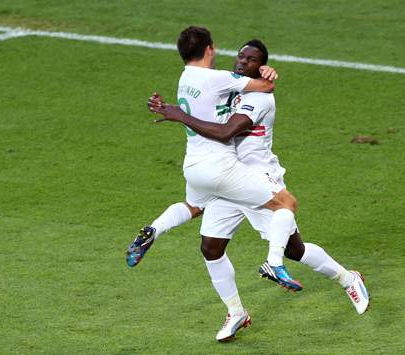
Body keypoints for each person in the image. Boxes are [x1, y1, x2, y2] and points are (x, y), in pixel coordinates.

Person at [136, 39, 371, 341]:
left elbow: (225, 133)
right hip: (230, 178)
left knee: (295, 249)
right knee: (210, 247)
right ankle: (236, 313)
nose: (240, 62)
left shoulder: (259, 99)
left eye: (250, 60)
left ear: (260, 66)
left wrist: (179, 115)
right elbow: (208, 93)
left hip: (259, 178)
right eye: (240, 56)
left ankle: (347, 278)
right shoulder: (234, 86)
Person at [128, 26, 304, 293]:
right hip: (221, 167)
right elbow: (265, 86)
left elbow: (227, 87)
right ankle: (273, 263)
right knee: (286, 203)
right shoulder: (216, 78)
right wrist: (268, 73)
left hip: (193, 166)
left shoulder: (186, 78)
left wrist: (172, 111)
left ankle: (154, 228)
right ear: (210, 48)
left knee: (193, 207)